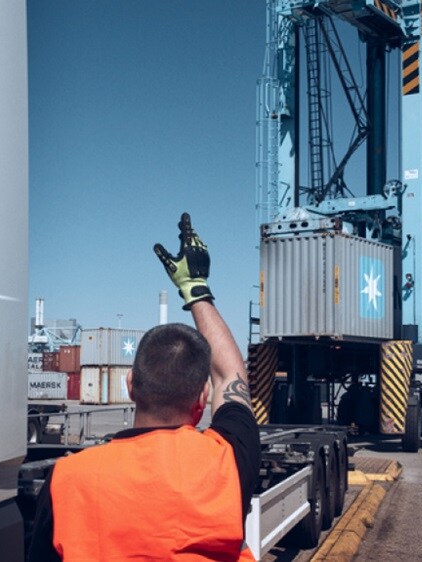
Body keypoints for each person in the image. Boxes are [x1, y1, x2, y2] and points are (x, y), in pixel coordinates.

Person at [28, 213, 261, 561]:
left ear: (131, 384)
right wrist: (196, 289)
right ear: (202, 397)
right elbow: (231, 377)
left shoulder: (67, 480)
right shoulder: (225, 463)